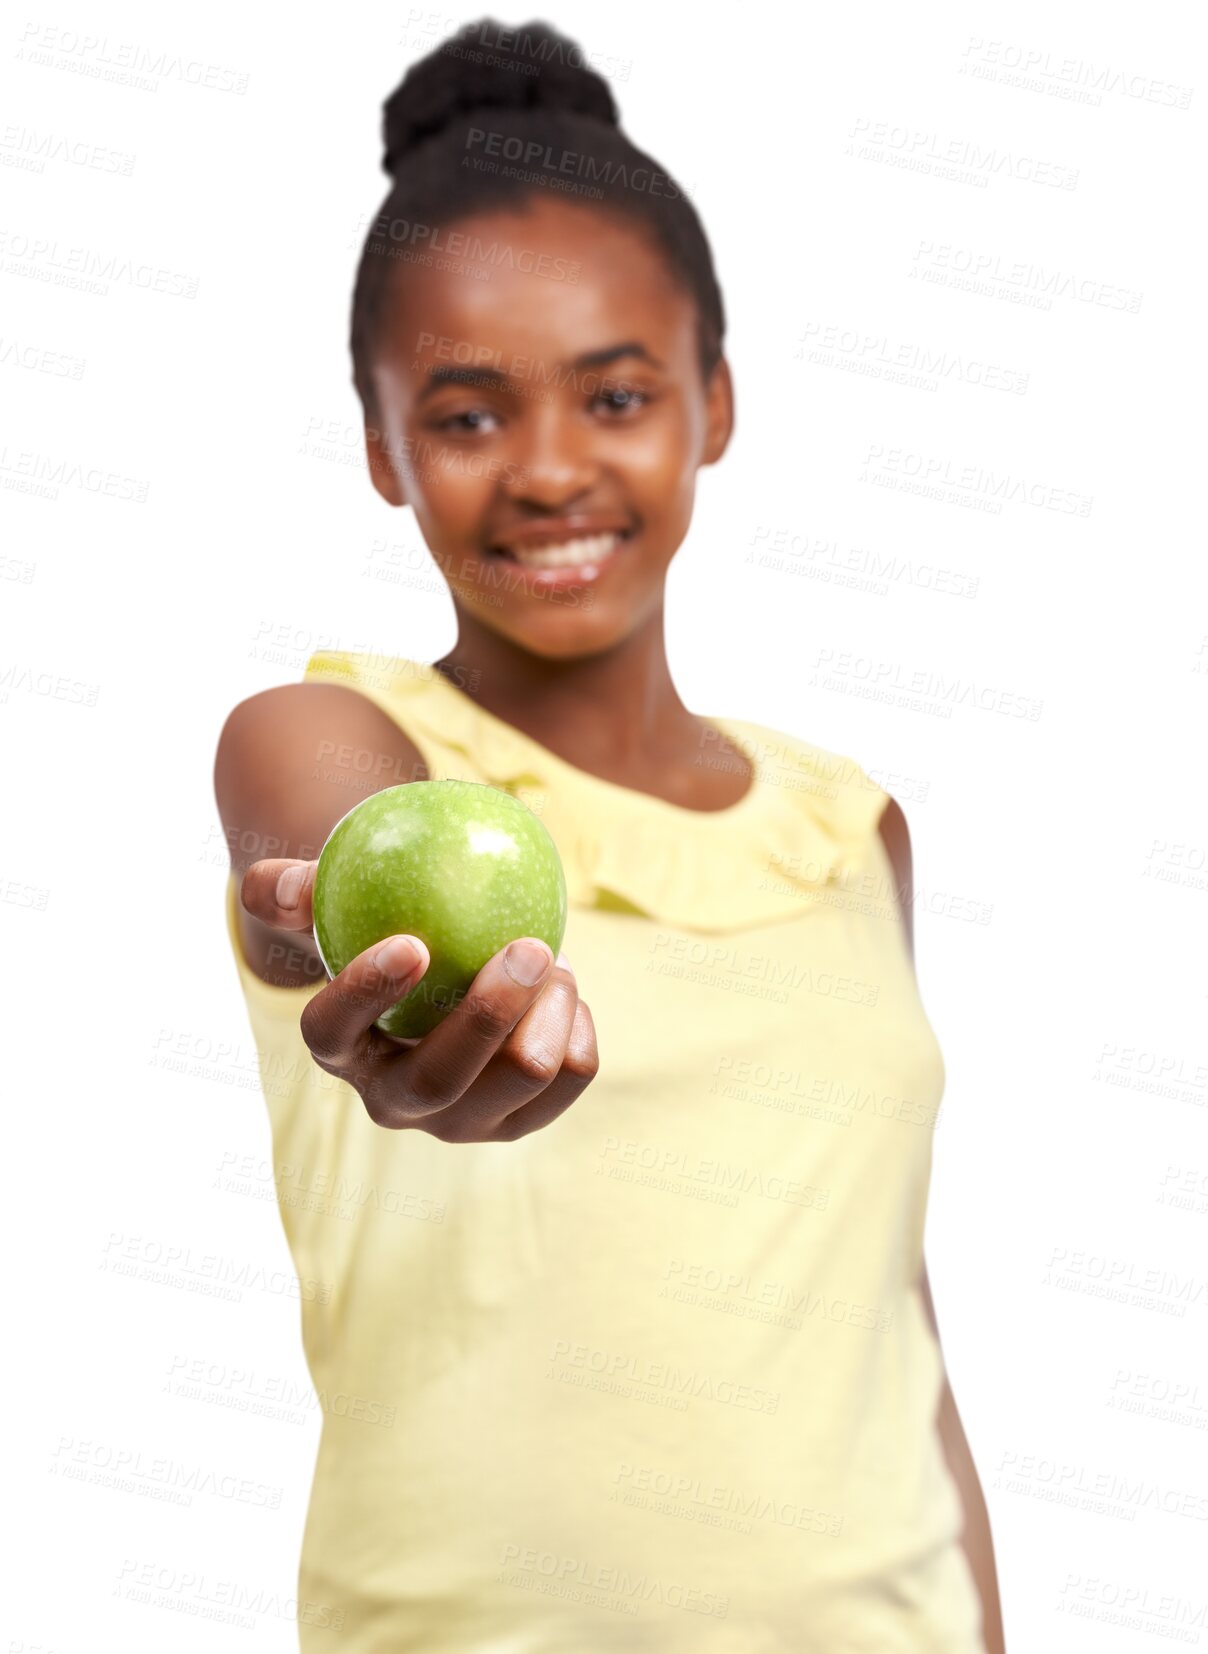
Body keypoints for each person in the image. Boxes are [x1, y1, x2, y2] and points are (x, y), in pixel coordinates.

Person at [213, 19, 1006, 1651]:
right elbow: (328, 868)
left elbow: (892, 1332)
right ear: (381, 450)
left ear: (713, 403)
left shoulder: (856, 834)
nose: (552, 469)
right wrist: (394, 990)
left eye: (618, 391)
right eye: (466, 413)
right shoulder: (326, 739)